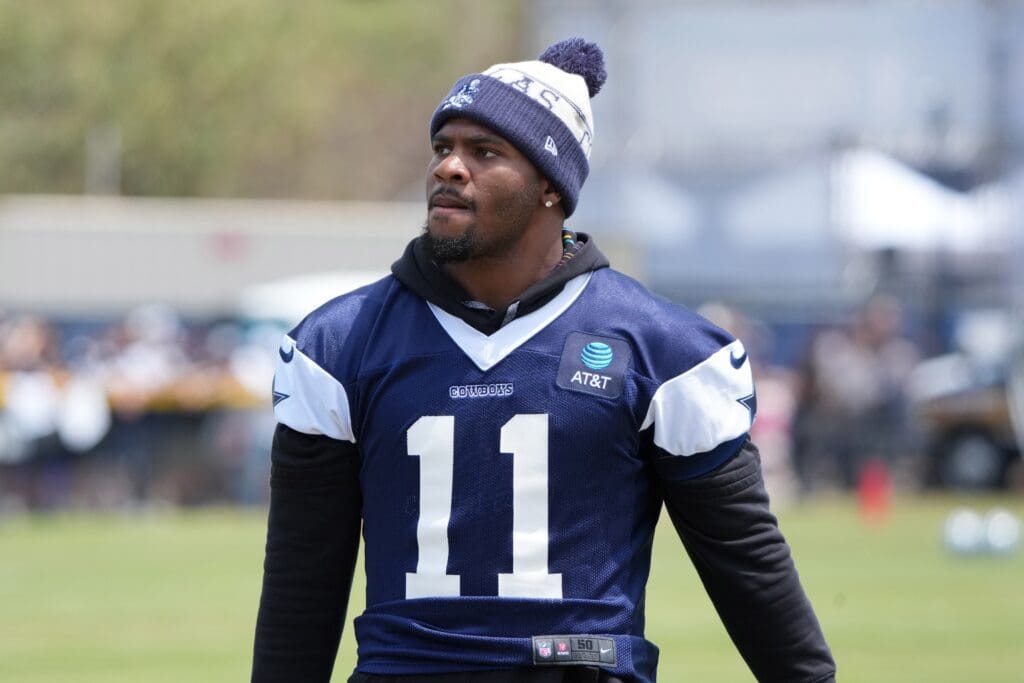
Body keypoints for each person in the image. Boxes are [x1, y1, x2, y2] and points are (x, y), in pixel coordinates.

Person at [253, 38, 836, 683]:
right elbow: (302, 582)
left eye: (485, 151)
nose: (449, 167)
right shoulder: (341, 344)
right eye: (443, 146)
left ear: (551, 189)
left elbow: (747, 566)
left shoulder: (660, 349)